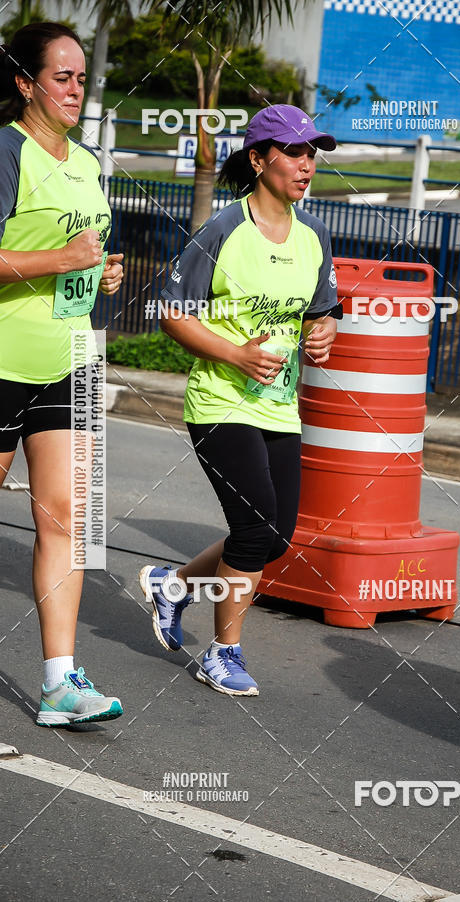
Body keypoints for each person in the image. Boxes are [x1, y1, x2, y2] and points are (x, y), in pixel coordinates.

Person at [140, 105, 342, 697]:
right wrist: (236, 354)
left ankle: (173, 586)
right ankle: (222, 653)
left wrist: (324, 332)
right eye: (293, 152)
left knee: (275, 538)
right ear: (258, 160)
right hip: (220, 402)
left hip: (279, 405)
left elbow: (322, 312)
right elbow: (172, 314)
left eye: (312, 153)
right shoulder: (224, 230)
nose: (306, 164)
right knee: (254, 531)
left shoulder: (314, 235)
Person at [0, 23, 125, 726]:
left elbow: (81, 251)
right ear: (26, 83)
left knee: (68, 519)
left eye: (82, 78)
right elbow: (51, 254)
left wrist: (99, 271)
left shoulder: (85, 162)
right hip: (3, 359)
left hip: (72, 359)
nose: (76, 90)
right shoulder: (5, 150)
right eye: (62, 77)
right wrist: (61, 260)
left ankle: (59, 683)